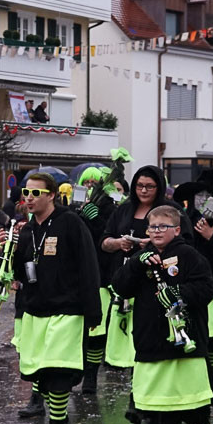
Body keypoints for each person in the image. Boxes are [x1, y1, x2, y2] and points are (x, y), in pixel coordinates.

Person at [111, 206, 213, 424]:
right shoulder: (141, 257)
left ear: (177, 230)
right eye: (152, 227)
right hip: (150, 339)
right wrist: (135, 263)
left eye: (162, 227)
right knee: (156, 403)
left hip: (186, 341)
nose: (156, 231)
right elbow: (120, 287)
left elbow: (206, 289)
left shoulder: (190, 255)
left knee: (192, 403)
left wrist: (177, 293)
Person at [10, 173, 102, 424]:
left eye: (36, 193)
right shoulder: (27, 230)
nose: (29, 197)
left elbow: (89, 265)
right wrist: (11, 246)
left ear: (51, 195)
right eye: (26, 192)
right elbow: (20, 273)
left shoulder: (70, 223)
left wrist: (92, 311)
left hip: (68, 309)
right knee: (43, 373)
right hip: (36, 310)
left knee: (59, 370)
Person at [95, 166, 194, 422]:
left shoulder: (172, 211)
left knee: (146, 341)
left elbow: (186, 242)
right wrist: (119, 243)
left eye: (149, 186)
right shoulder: (124, 210)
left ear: (159, 187)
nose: (144, 191)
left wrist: (157, 243)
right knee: (128, 343)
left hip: (158, 281)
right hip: (126, 279)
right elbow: (104, 241)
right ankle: (137, 394)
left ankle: (137, 398)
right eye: (139, 186)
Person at [175, 179, 213, 407]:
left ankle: (210, 377)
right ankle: (193, 381)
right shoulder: (183, 220)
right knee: (190, 339)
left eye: (206, 197)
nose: (202, 202)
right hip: (188, 288)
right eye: (198, 197)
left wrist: (211, 237)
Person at [74, 166, 117, 394]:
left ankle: (91, 375)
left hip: (100, 273)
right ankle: (78, 370)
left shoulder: (109, 207)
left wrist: (97, 219)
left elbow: (109, 237)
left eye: (94, 182)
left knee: (96, 330)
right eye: (86, 181)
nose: (89, 185)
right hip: (76, 274)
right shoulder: (74, 204)